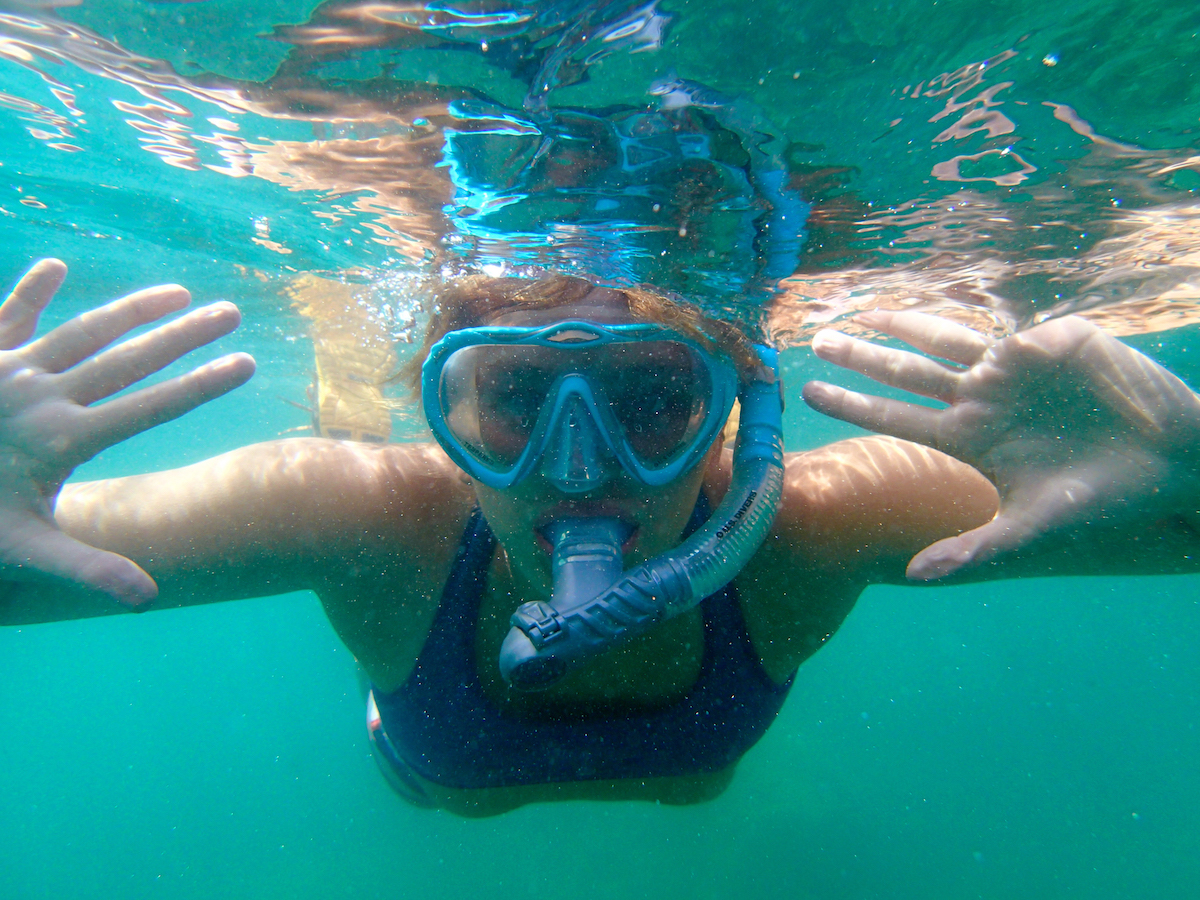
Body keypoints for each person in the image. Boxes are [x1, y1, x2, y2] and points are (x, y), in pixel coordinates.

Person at [1, 258, 1198, 817]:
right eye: (518, 397)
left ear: (743, 409)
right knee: (449, 789)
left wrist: (1186, 497)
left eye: (650, 401)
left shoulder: (812, 517)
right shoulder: (359, 509)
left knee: (693, 786)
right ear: (447, 410)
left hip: (686, 768)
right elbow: (29, 562)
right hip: (440, 774)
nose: (585, 469)